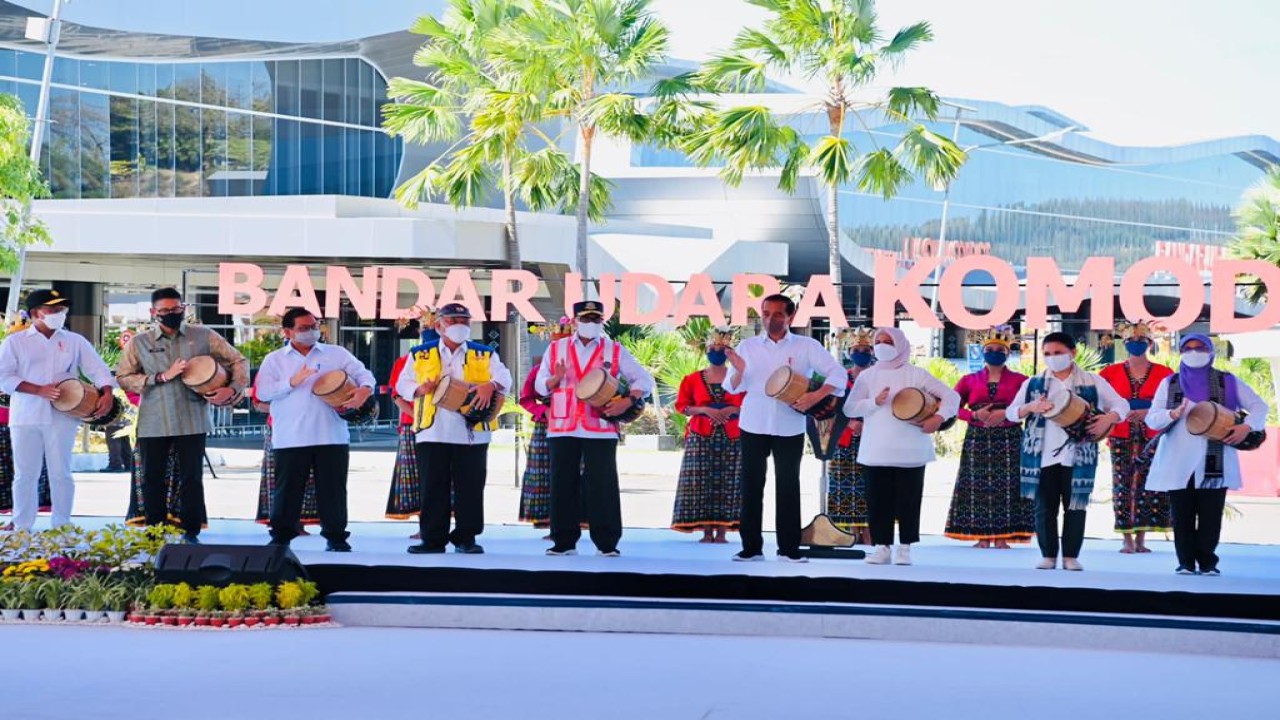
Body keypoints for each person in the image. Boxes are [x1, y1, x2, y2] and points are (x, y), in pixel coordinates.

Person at [117, 288, 248, 543]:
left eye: (176, 309)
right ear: (153, 312)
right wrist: (159, 377)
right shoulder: (140, 342)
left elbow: (238, 360)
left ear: (184, 308)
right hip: (154, 420)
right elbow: (123, 377)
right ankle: (154, 532)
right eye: (165, 311)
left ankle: (191, 531)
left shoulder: (203, 336)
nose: (171, 314)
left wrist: (231, 389)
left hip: (193, 417)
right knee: (152, 477)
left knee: (191, 478)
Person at [723, 294, 845, 563]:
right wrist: (739, 370)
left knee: (788, 485)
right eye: (766, 313)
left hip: (789, 425)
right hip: (753, 423)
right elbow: (732, 387)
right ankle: (751, 548)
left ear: (790, 316)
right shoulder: (747, 346)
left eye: (778, 314)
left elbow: (839, 375)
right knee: (751, 485)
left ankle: (788, 549)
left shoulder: (806, 345)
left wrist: (816, 395)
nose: (770, 319)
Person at [535, 300, 654, 557]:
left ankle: (607, 542)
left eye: (595, 320)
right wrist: (554, 379)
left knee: (603, 484)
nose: (590, 324)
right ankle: (563, 541)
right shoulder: (557, 348)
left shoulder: (614, 350)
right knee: (562, 483)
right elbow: (539, 385)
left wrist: (629, 399)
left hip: (599, 424)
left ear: (602, 322)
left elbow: (644, 379)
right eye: (586, 319)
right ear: (575, 321)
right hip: (563, 425)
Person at [1145, 334, 1269, 576]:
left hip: (1215, 457)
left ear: (1211, 351)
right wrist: (1172, 414)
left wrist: (1246, 426)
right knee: (1182, 514)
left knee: (1211, 514)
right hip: (1178, 458)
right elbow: (1153, 417)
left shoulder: (1227, 381)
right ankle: (1186, 562)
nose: (1194, 352)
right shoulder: (1170, 383)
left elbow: (1259, 406)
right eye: (1188, 348)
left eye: (1200, 347)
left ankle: (1208, 561)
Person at [1006, 332, 1129, 571]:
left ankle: (1071, 556)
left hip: (1079, 454)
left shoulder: (1092, 381)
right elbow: (1012, 413)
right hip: (1041, 454)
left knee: (1075, 506)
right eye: (1048, 354)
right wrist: (1032, 407)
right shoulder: (1032, 383)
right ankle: (1048, 555)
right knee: (1045, 507)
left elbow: (1121, 404)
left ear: (1073, 353)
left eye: (1058, 353)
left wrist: (1109, 419)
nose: (1053, 358)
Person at [255, 308, 375, 551]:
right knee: (287, 490)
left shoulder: (336, 353)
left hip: (331, 434)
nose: (311, 331)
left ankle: (336, 537)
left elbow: (365, 375)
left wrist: (364, 389)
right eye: (303, 328)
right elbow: (263, 393)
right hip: (290, 437)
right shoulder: (275, 359)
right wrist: (291, 382)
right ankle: (281, 537)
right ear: (287, 332)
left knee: (333, 489)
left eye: (314, 326)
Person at [399, 303, 512, 554]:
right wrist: (420, 389)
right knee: (432, 487)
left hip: (472, 431)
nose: (459, 325)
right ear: (439, 325)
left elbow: (506, 378)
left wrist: (490, 385)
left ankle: (466, 538)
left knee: (470, 488)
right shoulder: (420, 353)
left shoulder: (484, 353)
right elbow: (402, 384)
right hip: (433, 429)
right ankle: (432, 539)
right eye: (453, 320)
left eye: (464, 320)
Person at [0, 289, 116, 531]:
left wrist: (107, 392)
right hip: (25, 415)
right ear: (35, 313)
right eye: (52, 309)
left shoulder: (74, 341)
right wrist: (37, 389)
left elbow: (98, 369)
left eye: (61, 309)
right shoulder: (15, 342)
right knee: (25, 474)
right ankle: (22, 525)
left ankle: (62, 524)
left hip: (63, 416)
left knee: (61, 472)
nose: (59, 313)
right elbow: (4, 376)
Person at [844, 327, 959, 566]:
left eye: (888, 341)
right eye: (879, 341)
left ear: (900, 344)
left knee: (908, 500)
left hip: (911, 451)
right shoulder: (867, 376)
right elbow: (850, 408)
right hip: (876, 450)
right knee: (877, 501)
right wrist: (873, 403)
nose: (883, 345)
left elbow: (952, 397)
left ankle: (905, 548)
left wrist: (937, 419)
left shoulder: (916, 374)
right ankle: (881, 547)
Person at [944, 328, 1033, 548]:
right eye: (990, 349)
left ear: (1007, 352)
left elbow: (1030, 408)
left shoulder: (1022, 380)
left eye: (999, 349)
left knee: (1009, 485)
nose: (995, 353)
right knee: (978, 486)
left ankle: (1004, 537)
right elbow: (950, 407)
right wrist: (974, 415)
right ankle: (982, 536)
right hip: (978, 437)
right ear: (982, 352)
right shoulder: (968, 380)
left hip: (1010, 437)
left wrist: (1007, 416)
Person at [1099, 321, 1174, 553]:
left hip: (1152, 435)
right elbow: (1100, 401)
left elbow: (1172, 402)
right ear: (1125, 343)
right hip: (1121, 432)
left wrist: (1147, 412)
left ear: (1150, 343)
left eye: (1141, 342)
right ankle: (1126, 539)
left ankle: (1141, 538)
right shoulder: (1109, 372)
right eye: (1131, 342)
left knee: (1149, 485)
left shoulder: (1165, 373)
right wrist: (1117, 413)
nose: (1136, 345)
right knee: (1123, 484)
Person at [671, 330, 745, 542]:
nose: (717, 352)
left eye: (721, 349)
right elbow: (682, 407)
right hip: (701, 434)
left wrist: (730, 411)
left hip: (731, 435)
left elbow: (749, 404)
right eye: (713, 349)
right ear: (706, 351)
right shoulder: (692, 379)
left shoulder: (739, 377)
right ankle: (705, 531)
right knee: (700, 481)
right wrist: (706, 410)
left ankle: (722, 531)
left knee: (728, 480)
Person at [386, 311, 435, 536]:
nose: (429, 333)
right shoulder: (406, 360)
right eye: (426, 329)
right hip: (412, 423)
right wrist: (418, 416)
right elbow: (396, 395)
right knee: (417, 475)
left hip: (443, 424)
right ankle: (423, 523)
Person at [825, 327, 875, 543]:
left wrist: (867, 425)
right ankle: (849, 532)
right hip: (843, 440)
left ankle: (870, 531)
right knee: (843, 486)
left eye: (865, 349)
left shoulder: (878, 378)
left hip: (874, 440)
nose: (861, 353)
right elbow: (828, 409)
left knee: (871, 486)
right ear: (849, 352)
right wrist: (850, 423)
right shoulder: (840, 379)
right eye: (857, 349)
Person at [250, 382, 319, 535]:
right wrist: (287, 408)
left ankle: (299, 522)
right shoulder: (273, 365)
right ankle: (279, 521)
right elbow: (258, 403)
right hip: (280, 427)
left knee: (308, 475)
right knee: (280, 476)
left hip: (309, 426)